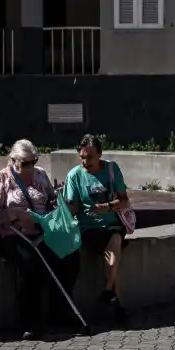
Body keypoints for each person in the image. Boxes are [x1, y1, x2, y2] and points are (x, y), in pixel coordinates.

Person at [0, 139, 79, 340]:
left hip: (40, 231)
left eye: (33, 161)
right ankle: (30, 322)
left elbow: (50, 200)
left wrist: (58, 200)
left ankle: (60, 312)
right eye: (26, 163)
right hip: (11, 233)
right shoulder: (2, 178)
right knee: (28, 263)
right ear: (13, 161)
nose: (31, 166)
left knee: (69, 255)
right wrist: (14, 214)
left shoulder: (40, 174)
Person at [63, 134, 131, 322]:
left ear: (100, 154)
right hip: (90, 227)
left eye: (90, 157)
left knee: (115, 237)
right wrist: (63, 203)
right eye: (82, 157)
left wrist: (105, 207)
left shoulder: (111, 169)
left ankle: (110, 290)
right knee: (113, 247)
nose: (86, 162)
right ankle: (113, 297)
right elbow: (73, 207)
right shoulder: (74, 175)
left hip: (112, 221)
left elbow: (124, 200)